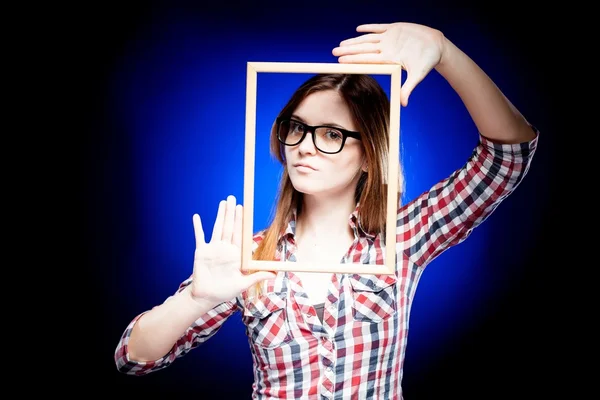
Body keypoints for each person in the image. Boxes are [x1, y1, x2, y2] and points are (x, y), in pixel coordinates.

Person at [114, 22, 538, 399]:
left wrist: (445, 52)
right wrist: (194, 298)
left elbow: (509, 157)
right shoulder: (248, 257)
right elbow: (132, 358)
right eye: (296, 128)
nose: (304, 145)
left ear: (370, 153)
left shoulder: (403, 237)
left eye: (331, 133)